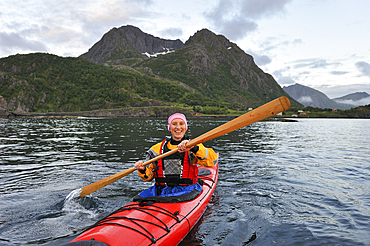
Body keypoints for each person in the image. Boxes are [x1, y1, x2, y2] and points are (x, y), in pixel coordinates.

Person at [134, 113, 218, 198]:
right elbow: (149, 177)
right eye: (174, 124)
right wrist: (142, 169)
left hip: (187, 190)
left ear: (185, 127)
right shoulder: (157, 149)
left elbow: (211, 162)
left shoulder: (194, 145)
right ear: (169, 128)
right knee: (139, 199)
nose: (178, 127)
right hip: (161, 190)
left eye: (181, 124)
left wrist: (194, 148)